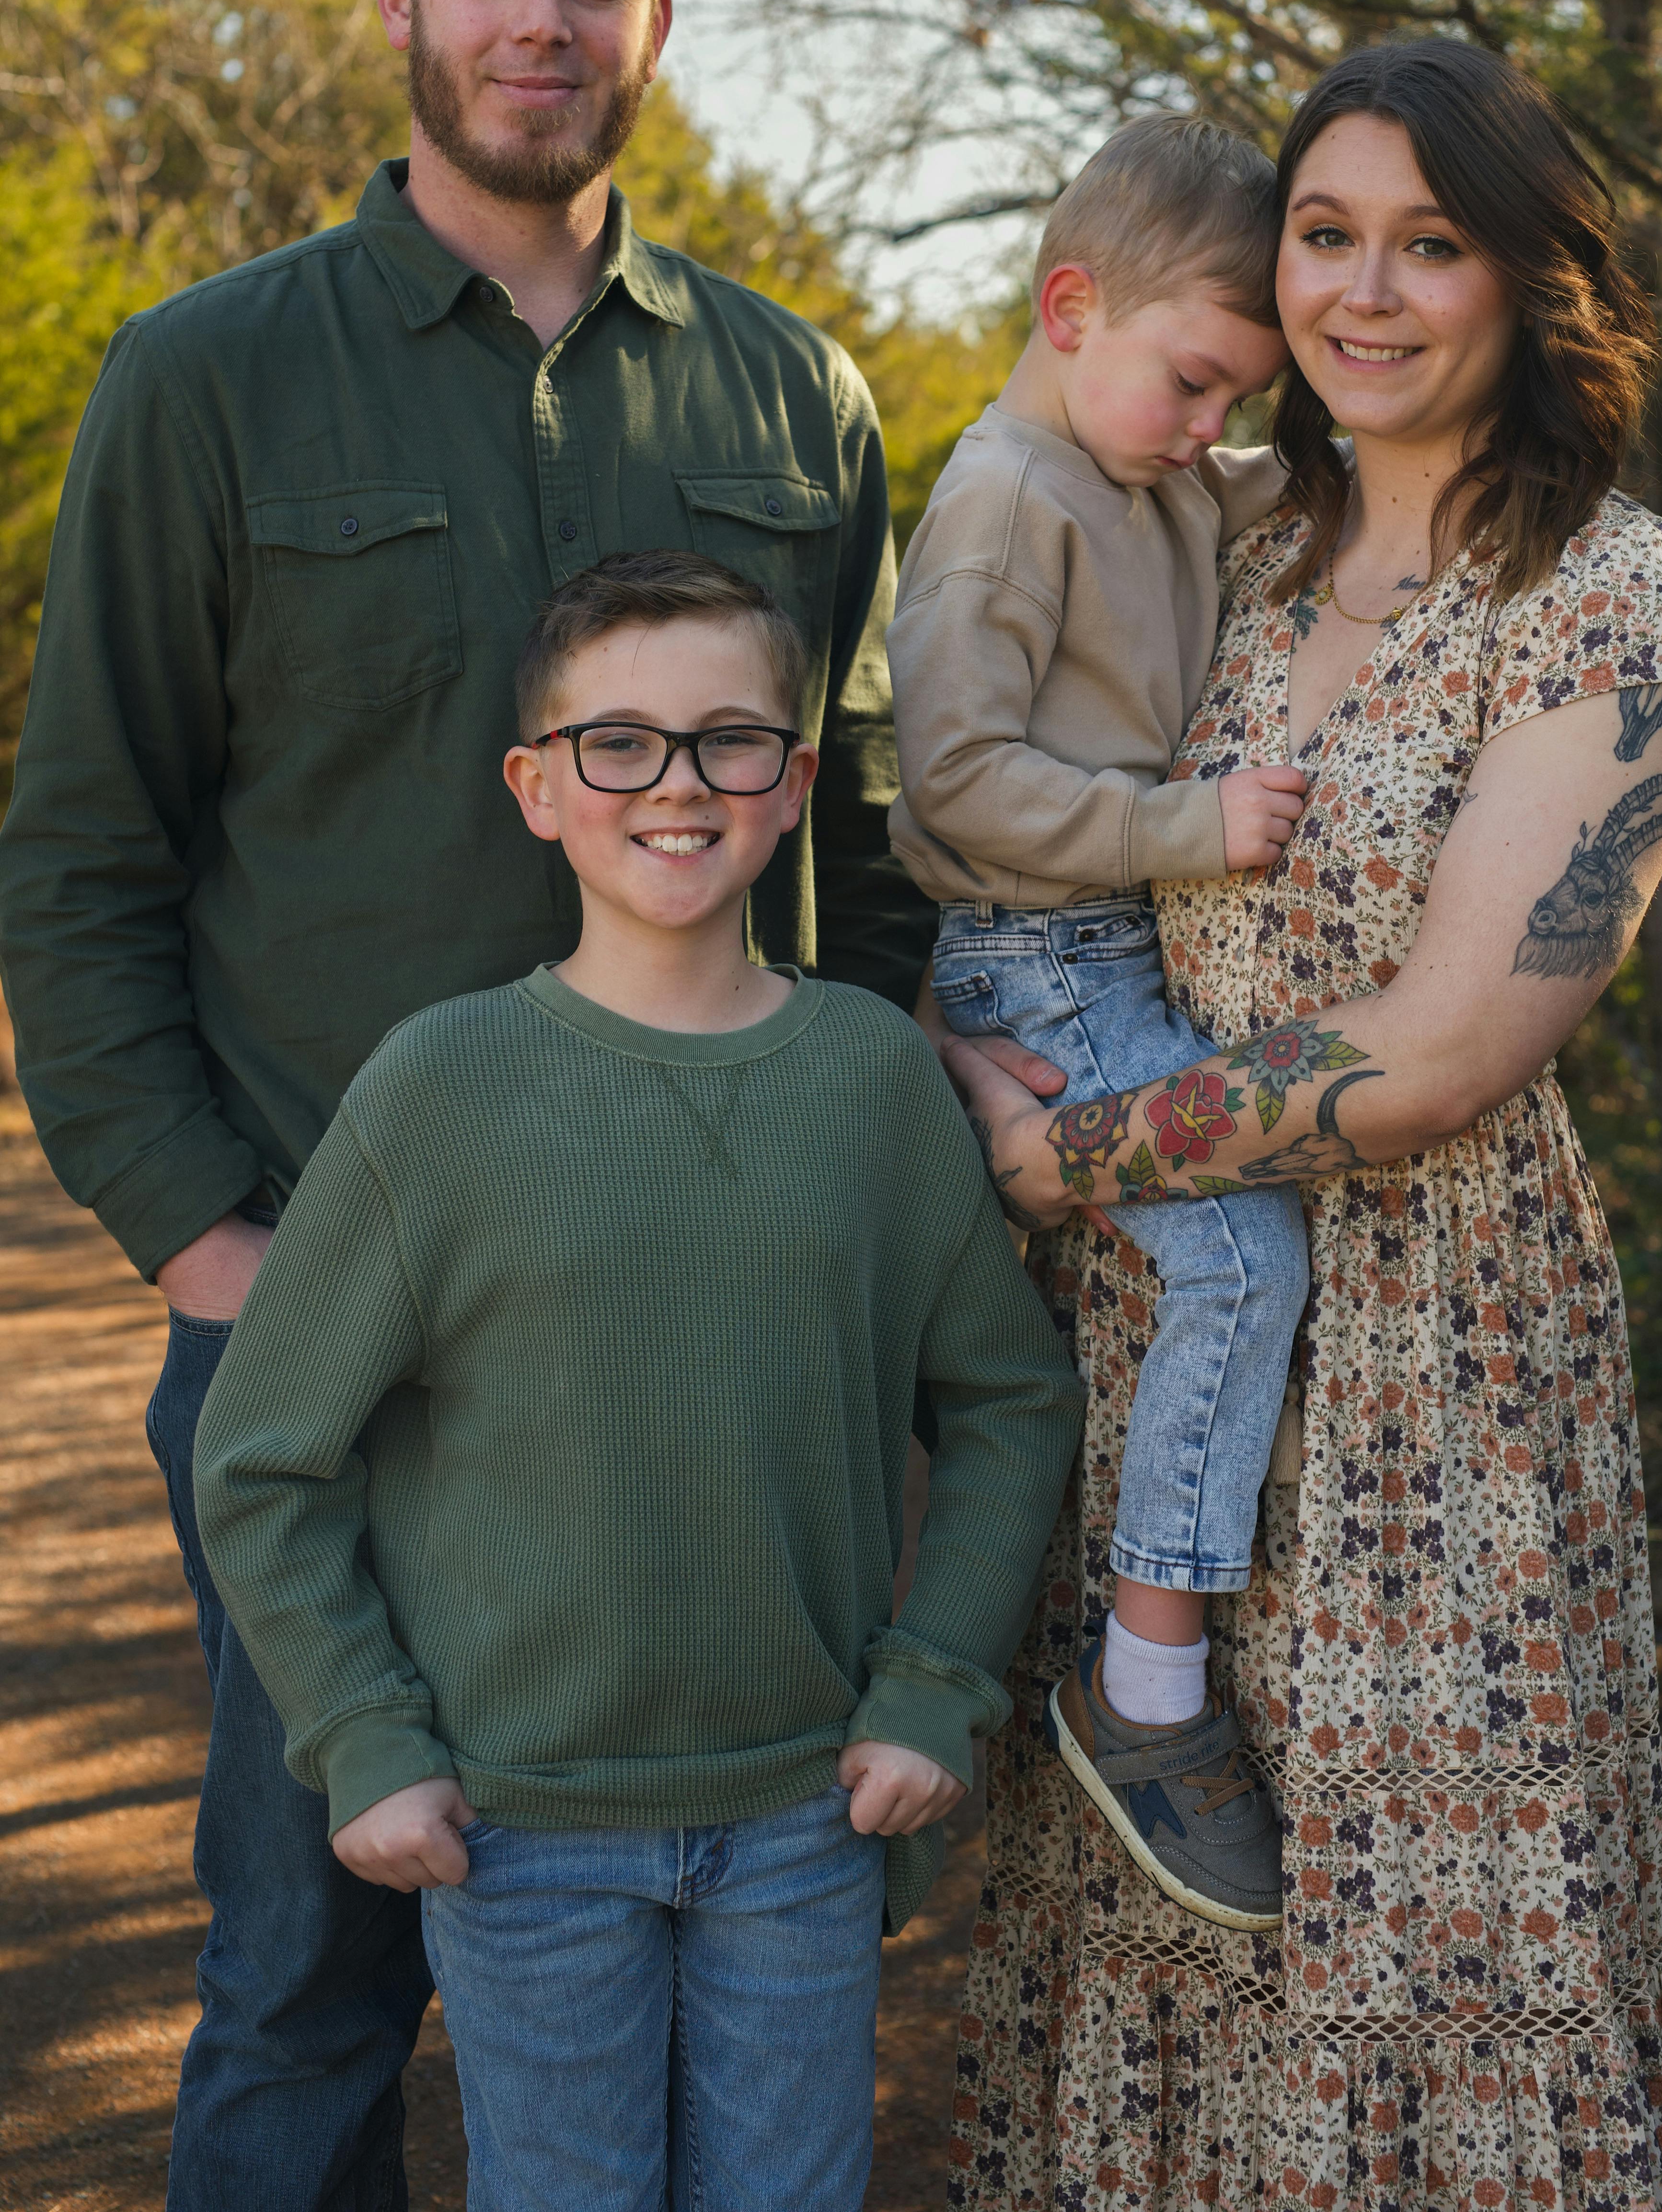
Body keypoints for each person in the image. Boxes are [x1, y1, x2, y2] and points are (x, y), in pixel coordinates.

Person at [0, 0, 936, 2212]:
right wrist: (223, 1266)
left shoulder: (791, 398)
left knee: (731, 1950)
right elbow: (87, 859)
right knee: (312, 1979)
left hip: (733, 1360)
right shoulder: (206, 383)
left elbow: (864, 854)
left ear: (659, 18)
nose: (547, 23)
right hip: (343, 1330)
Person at [939, 38, 1662, 2212]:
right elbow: (997, 800)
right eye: (1325, 236)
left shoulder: (1619, 605)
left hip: (1439, 1393)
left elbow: (1429, 1056)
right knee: (1152, 1960)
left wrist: (1055, 1162)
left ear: (1526, 282)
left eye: (1432, 243)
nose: (1365, 294)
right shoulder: (1226, 535)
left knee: (1426, 1943)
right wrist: (947, 1054)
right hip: (1155, 1355)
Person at [191, 550, 1082, 2212]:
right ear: (539, 787)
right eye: (620, 743)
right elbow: (262, 1455)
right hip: (523, 1828)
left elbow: (1013, 1402)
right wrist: (366, 1737)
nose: (677, 785)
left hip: (813, 1813)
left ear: (796, 781)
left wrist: (935, 1677)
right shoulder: (439, 1090)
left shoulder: (873, 1084)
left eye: (731, 740)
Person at [890, 114, 1314, 1930]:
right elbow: (959, 779)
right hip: (1039, 961)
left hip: (1117, 949)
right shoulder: (1003, 506)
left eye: (1236, 396)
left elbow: (1296, 477)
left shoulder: (1151, 473)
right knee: (1237, 1252)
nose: (1213, 423)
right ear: (1074, 306)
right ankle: (1145, 1687)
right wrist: (1180, 829)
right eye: (1195, 382)